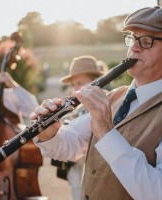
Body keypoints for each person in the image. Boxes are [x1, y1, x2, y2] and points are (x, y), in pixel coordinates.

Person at [31, 6, 162, 200]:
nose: (134, 47)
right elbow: (73, 144)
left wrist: (107, 132)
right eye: (133, 38)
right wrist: (50, 134)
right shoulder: (115, 96)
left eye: (147, 41)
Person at [53, 55, 107, 200]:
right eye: (73, 84)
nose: (76, 89)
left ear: (96, 82)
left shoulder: (105, 103)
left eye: (80, 83)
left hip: (96, 174)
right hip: (76, 174)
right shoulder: (77, 108)